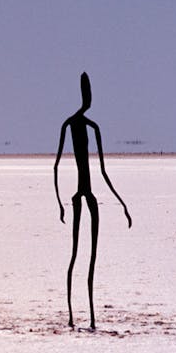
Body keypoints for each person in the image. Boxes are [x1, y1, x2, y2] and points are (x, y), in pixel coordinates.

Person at [53, 72, 131, 330]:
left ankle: (90, 317)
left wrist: (122, 205)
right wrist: (60, 203)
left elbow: (103, 171)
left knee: (90, 257)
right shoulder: (72, 124)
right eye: (88, 95)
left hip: (89, 196)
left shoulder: (91, 126)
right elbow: (56, 165)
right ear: (85, 96)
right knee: (75, 255)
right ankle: (72, 316)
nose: (89, 100)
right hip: (79, 196)